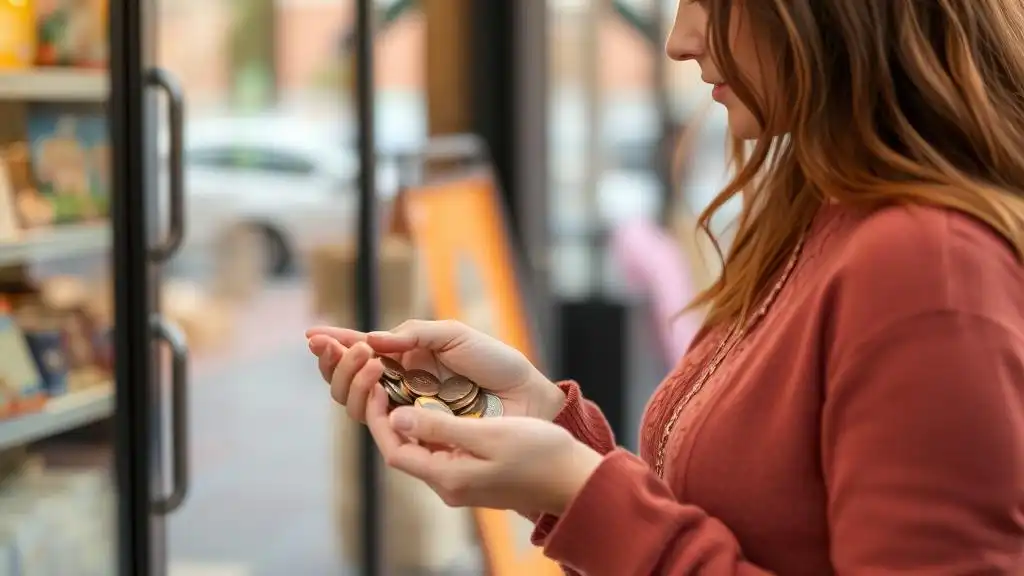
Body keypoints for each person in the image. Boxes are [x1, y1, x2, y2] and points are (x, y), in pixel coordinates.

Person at [307, 0, 1024, 573]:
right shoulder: (823, 208)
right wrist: (540, 417)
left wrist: (581, 493)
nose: (681, 39)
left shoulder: (930, 266)